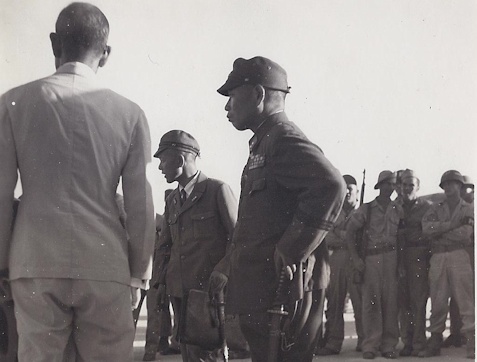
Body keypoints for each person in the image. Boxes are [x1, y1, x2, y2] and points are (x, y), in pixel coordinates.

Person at [0, 3, 155, 361]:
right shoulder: (129, 114)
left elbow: (2, 194)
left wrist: (4, 264)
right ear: (106, 54)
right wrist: (138, 273)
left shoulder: (13, 104)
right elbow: (140, 203)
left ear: (55, 43)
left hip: (33, 261)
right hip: (106, 266)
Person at [217, 56, 346, 362]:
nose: (226, 107)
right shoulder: (264, 142)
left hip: (284, 291)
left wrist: (292, 248)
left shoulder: (282, 139)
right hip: (265, 289)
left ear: (259, 95)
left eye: (233, 97)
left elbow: (331, 186)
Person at [153, 130, 238, 362]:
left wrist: (223, 269)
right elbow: (164, 246)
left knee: (209, 353)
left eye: (163, 160)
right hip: (179, 290)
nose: (160, 167)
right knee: (187, 351)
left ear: (180, 160)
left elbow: (238, 237)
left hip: (207, 292)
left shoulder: (216, 190)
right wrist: (159, 282)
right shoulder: (172, 199)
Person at [346, 170, 402, 359]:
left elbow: (401, 237)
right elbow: (350, 233)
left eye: (393, 184)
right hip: (372, 258)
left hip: (392, 257)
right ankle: (370, 345)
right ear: (380, 186)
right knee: (371, 303)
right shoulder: (367, 209)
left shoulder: (398, 208)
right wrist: (355, 259)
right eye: (387, 184)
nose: (390, 188)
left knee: (391, 303)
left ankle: (388, 346)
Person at [420, 170, 475, 359]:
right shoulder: (435, 208)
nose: (449, 187)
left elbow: (465, 233)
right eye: (446, 184)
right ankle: (435, 341)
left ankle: (472, 343)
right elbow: (427, 229)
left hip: (459, 255)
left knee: (466, 302)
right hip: (438, 256)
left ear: (460, 186)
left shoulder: (468, 209)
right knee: (438, 301)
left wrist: (441, 230)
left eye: (453, 183)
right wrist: (452, 225)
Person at [316, 174, 364, 355]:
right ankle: (333, 342)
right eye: (345, 190)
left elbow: (364, 239)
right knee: (335, 302)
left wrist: (342, 234)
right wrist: (348, 236)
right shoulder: (333, 213)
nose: (348, 194)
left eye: (351, 190)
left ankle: (365, 341)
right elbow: (328, 239)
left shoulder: (363, 213)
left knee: (360, 302)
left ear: (357, 193)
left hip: (357, 260)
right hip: (337, 260)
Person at [395, 170, 432, 357]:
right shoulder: (395, 207)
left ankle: (419, 344)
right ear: (399, 187)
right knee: (403, 303)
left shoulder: (427, 207)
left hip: (419, 256)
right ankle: (406, 342)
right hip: (399, 256)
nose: (407, 188)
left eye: (411, 184)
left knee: (418, 302)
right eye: (404, 184)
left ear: (417, 187)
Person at [443, 175, 475, 349]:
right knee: (457, 298)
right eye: (464, 188)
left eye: (470, 189)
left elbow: (465, 233)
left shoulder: (470, 209)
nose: (467, 192)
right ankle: (457, 332)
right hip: (463, 254)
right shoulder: (456, 210)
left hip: (471, 252)